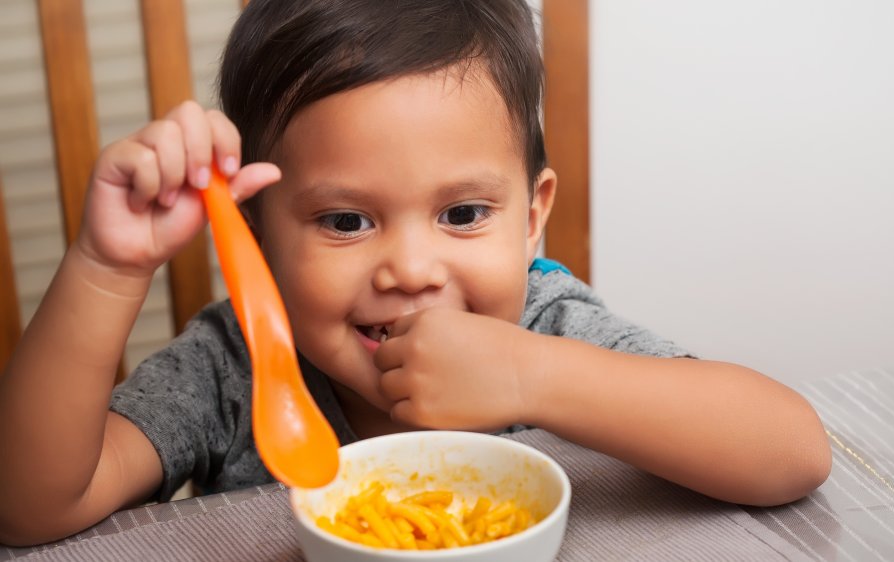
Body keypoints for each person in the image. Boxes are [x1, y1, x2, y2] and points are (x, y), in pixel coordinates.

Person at [0, 0, 831, 546]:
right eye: (346, 221)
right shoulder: (239, 366)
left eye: (464, 214)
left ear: (532, 213)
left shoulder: (545, 326)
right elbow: (31, 507)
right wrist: (107, 268)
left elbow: (790, 452)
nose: (410, 268)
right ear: (254, 233)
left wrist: (531, 374)